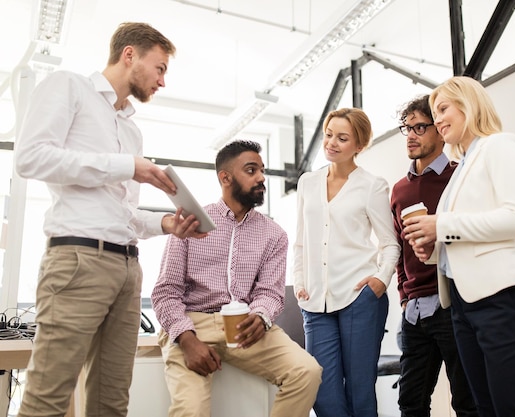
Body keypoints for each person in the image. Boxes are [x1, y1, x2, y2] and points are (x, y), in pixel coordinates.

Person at [14, 22, 204, 417]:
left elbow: (124, 215)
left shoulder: (131, 132)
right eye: (160, 67)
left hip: (128, 268)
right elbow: (31, 158)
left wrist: (165, 224)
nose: (162, 81)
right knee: (47, 398)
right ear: (129, 54)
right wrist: (124, 166)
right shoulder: (69, 87)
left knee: (111, 402)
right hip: (79, 263)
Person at [404, 76, 515, 417]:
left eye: (443, 109)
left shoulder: (500, 145)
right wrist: (435, 249)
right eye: (434, 112)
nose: (437, 119)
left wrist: (441, 225)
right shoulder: (462, 166)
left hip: (504, 299)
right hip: (463, 306)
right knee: (484, 409)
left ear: (469, 105)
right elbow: (466, 235)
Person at [151, 139, 322, 417]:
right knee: (190, 411)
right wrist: (186, 339)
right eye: (251, 170)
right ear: (225, 177)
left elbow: (270, 292)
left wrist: (262, 316)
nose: (261, 178)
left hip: (245, 326)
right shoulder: (192, 223)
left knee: (307, 371)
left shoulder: (274, 234)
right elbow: (166, 291)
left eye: (262, 171)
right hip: (193, 323)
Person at [292, 108, 401, 417]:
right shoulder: (307, 183)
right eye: (328, 135)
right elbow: (301, 240)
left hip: (359, 297)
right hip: (315, 301)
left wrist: (379, 280)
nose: (332, 143)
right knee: (322, 392)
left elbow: (389, 244)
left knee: (359, 391)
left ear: (359, 145)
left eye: (342, 138)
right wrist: (300, 281)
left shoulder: (371, 185)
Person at [390, 95, 478, 417]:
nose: (411, 135)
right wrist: (403, 293)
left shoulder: (461, 175)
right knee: (410, 403)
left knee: (466, 401)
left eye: (420, 127)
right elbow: (399, 246)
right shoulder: (399, 189)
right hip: (413, 312)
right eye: (407, 128)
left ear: (440, 131)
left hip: (452, 305)